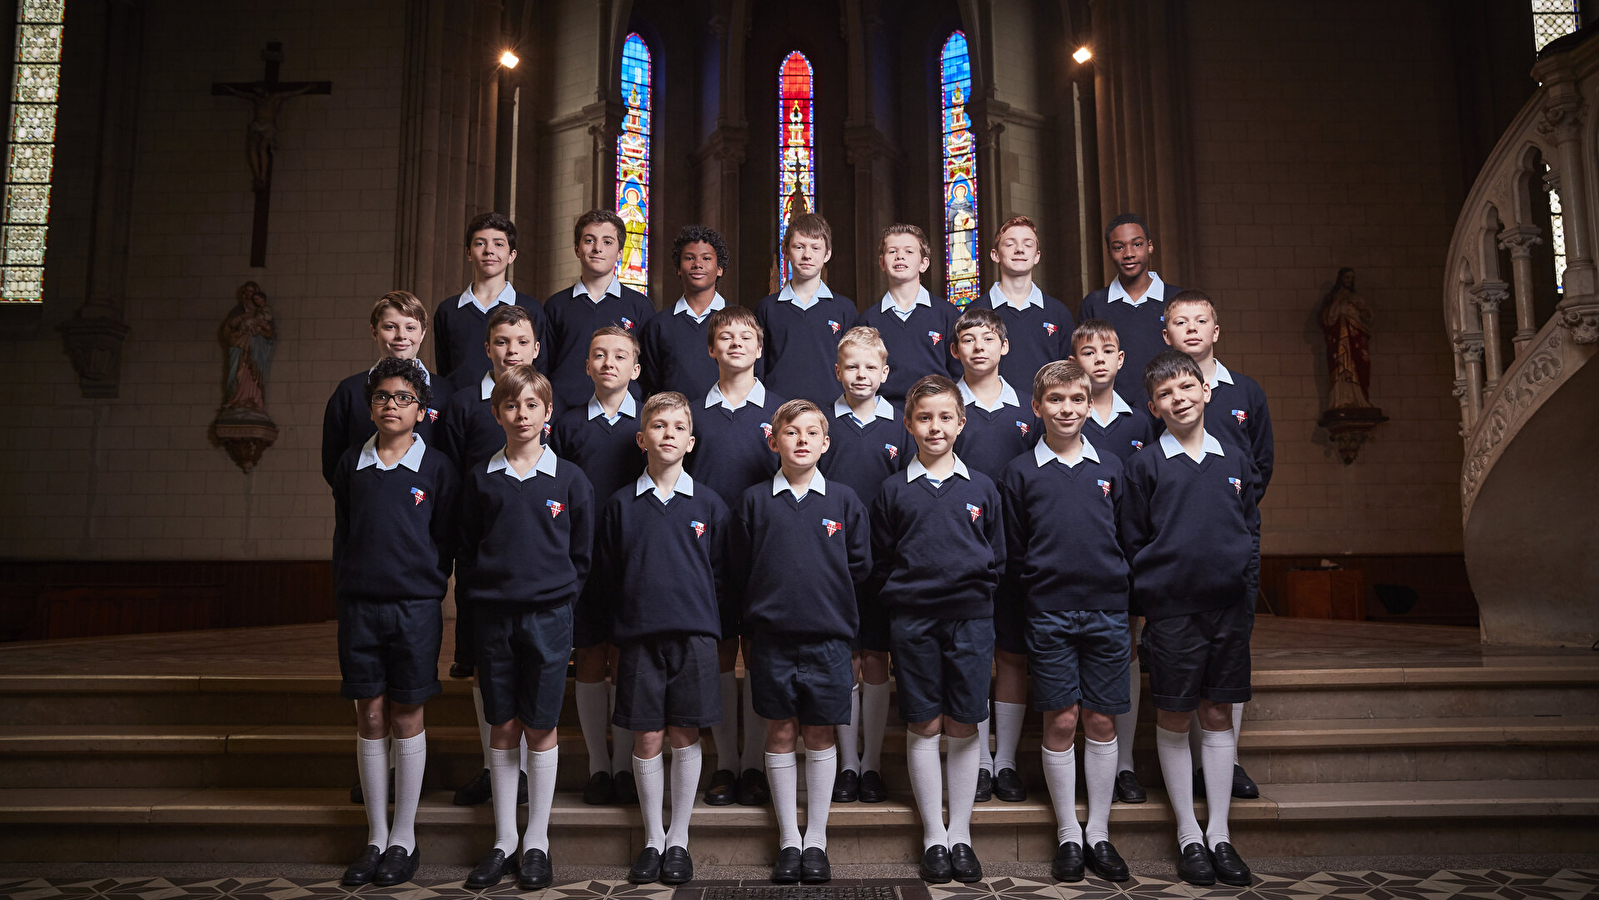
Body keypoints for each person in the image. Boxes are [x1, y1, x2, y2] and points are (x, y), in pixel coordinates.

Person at [1119, 351, 1261, 888]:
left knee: (1218, 713)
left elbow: (1250, 526)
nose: (1178, 399)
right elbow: (1133, 540)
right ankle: (1188, 834)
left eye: (1186, 388)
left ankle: (1220, 833)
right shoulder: (1145, 466)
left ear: (1205, 391)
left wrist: (1244, 585)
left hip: (1228, 608)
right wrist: (1154, 597)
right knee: (1176, 716)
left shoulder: (1235, 458)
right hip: (1173, 610)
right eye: (1165, 395)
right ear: (1154, 407)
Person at [458, 365, 595, 890]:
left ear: (547, 413)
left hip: (549, 616)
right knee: (503, 726)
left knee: (540, 726)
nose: (521, 415)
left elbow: (580, 554)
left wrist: (557, 598)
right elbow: (466, 550)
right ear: (497, 413)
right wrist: (484, 596)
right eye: (511, 406)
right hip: (494, 616)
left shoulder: (569, 479)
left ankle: (536, 839)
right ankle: (503, 840)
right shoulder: (480, 478)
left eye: (531, 406)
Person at [592, 391, 735, 886]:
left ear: (691, 441)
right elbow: (608, 574)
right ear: (641, 438)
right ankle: (653, 837)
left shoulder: (710, 505)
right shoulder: (619, 507)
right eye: (658, 425)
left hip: (694, 636)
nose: (668, 433)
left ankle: (679, 837)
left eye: (678, 427)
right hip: (638, 637)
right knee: (647, 735)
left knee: (684, 734)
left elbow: (721, 575)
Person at [868, 375, 1005, 884]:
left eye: (945, 417)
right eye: (924, 417)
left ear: (961, 423)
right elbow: (880, 560)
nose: (935, 426)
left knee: (965, 722)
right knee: (924, 722)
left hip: (970, 618)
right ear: (908, 425)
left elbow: (999, 556)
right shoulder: (892, 490)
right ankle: (933, 835)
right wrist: (909, 596)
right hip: (913, 620)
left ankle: (961, 834)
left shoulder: (983, 488)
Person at [998, 360, 1131, 884]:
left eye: (1077, 399)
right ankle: (1068, 834)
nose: (1067, 409)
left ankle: (1098, 831)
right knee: (1061, 720)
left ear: (1090, 404)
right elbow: (1013, 547)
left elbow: (1128, 535)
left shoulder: (1112, 467)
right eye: (1055, 401)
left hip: (1107, 610)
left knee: (1100, 720)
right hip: (1048, 612)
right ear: (1037, 408)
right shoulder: (1019, 472)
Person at [731, 399, 870, 884]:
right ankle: (790, 837)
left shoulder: (845, 501)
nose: (803, 440)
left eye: (813, 432)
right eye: (792, 433)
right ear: (774, 441)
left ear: (826, 443)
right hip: (770, 640)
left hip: (829, 639)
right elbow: (740, 569)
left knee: (819, 734)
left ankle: (818, 838)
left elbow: (859, 568)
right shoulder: (753, 501)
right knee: (781, 734)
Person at [331, 357, 457, 888]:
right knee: (371, 714)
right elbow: (344, 530)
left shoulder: (438, 468)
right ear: (370, 405)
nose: (391, 406)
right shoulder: (349, 465)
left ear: (421, 408)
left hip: (415, 607)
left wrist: (427, 584)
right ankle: (375, 834)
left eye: (403, 398)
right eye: (382, 397)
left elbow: (446, 539)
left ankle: (404, 835)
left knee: (407, 713)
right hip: (361, 605)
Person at [1160, 290, 1272, 801]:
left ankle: (1226, 761)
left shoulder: (1245, 391)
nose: (1191, 329)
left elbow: (1261, 467)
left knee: (1230, 657)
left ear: (1215, 330)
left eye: (1200, 321)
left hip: (1235, 542)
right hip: (1181, 558)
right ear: (1167, 335)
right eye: (1180, 322)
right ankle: (1193, 767)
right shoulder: (1166, 389)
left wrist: (1232, 521)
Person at [434, 304, 539, 808]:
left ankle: (531, 771)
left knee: (531, 665)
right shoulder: (461, 404)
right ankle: (492, 765)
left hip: (535, 559)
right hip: (480, 556)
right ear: (487, 348)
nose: (510, 350)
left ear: (535, 348)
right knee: (485, 667)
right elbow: (450, 483)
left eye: (520, 341)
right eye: (501, 342)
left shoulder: (541, 401)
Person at [685, 305, 787, 808]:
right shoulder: (693, 416)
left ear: (760, 347)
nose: (736, 344)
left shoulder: (783, 413)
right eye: (725, 337)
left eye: (746, 337)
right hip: (710, 554)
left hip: (770, 551)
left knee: (766, 657)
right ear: (711, 349)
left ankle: (759, 763)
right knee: (722, 657)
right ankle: (727, 761)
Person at [550, 326, 647, 807]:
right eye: (598, 355)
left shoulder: (647, 424)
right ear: (587, 366)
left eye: (620, 356)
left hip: (635, 557)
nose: (609, 363)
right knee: (590, 658)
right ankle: (597, 765)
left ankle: (627, 765)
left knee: (627, 660)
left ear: (636, 368)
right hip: (581, 556)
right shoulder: (567, 426)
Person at [948, 304, 1037, 802]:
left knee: (1011, 655)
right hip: (961, 552)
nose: (978, 347)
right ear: (955, 350)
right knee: (973, 657)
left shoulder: (1029, 410)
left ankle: (1005, 761)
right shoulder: (943, 407)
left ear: (1004, 347)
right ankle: (978, 758)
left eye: (988, 338)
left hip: (1018, 546)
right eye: (968, 339)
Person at [816, 327, 908, 805]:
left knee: (876, 659)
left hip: (885, 563)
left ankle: (871, 763)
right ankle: (846, 764)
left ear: (885, 373)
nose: (861, 374)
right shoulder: (822, 425)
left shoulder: (900, 427)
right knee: (844, 659)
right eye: (852, 366)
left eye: (870, 367)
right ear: (838, 371)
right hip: (834, 565)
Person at [1070, 319, 1154, 805]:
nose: (1098, 358)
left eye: (1108, 350)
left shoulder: (1140, 422)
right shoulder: (1061, 415)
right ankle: (1077, 757)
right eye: (1087, 351)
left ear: (1121, 361)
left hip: (1122, 561)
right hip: (1075, 562)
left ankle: (1121, 763)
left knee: (1125, 653)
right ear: (1073, 362)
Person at [322, 292, 447, 489]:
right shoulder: (349, 391)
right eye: (390, 327)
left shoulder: (447, 391)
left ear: (423, 333)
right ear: (374, 331)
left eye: (410, 328)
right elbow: (333, 464)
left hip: (429, 506)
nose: (401, 336)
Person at [544, 210, 655, 416]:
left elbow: (650, 368)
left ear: (620, 252)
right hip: (563, 413)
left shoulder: (640, 306)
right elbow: (543, 365)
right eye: (589, 240)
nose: (597, 249)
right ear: (577, 249)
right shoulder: (556, 306)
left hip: (621, 415)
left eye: (607, 242)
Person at [432, 212, 549, 389]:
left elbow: (539, 368)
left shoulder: (531, 308)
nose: (489, 250)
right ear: (468, 253)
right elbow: (445, 369)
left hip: (515, 407)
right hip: (462, 409)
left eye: (498, 244)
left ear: (512, 255)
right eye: (480, 243)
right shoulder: (448, 310)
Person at [1079, 213, 1182, 411]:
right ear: (1109, 251)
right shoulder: (1095, 303)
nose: (1129, 254)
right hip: (1111, 412)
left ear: (1150, 246)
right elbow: (1085, 364)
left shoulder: (1176, 300)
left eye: (1137, 244)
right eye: (1119, 247)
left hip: (1169, 408)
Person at [853, 224, 963, 403]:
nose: (900, 256)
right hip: (885, 413)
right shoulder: (868, 320)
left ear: (924, 264)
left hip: (937, 409)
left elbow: (960, 371)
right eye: (892, 251)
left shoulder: (948, 314)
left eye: (909, 251)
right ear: (882, 262)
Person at [755, 214, 858, 405]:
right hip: (779, 410)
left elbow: (854, 365)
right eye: (799, 247)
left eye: (815, 248)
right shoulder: (767, 308)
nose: (807, 255)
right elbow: (758, 368)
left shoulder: (844, 309)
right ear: (785, 250)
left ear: (827, 254)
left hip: (832, 410)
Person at [639, 226, 738, 400]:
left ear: (720, 269)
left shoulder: (739, 322)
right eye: (689, 258)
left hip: (727, 422)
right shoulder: (659, 325)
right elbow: (651, 385)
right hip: (673, 421)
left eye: (706, 258)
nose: (697, 264)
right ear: (678, 268)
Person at [983, 215, 1075, 389]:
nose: (1019, 249)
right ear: (995, 255)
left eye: (1028, 244)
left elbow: (1069, 372)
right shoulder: (977, 310)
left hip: (1047, 411)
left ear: (1037, 256)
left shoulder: (1058, 313)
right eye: (1010, 244)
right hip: (994, 412)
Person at [1320, 267, 1373, 408]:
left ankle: (1360, 398)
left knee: (1361, 363)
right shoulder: (1333, 297)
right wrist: (1337, 303)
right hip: (1339, 339)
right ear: (1340, 279)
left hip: (1355, 336)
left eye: (1351, 278)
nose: (1349, 281)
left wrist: (1362, 308)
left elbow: (1368, 317)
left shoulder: (1356, 297)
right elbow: (1327, 319)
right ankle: (1341, 399)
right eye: (1346, 277)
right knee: (1340, 365)